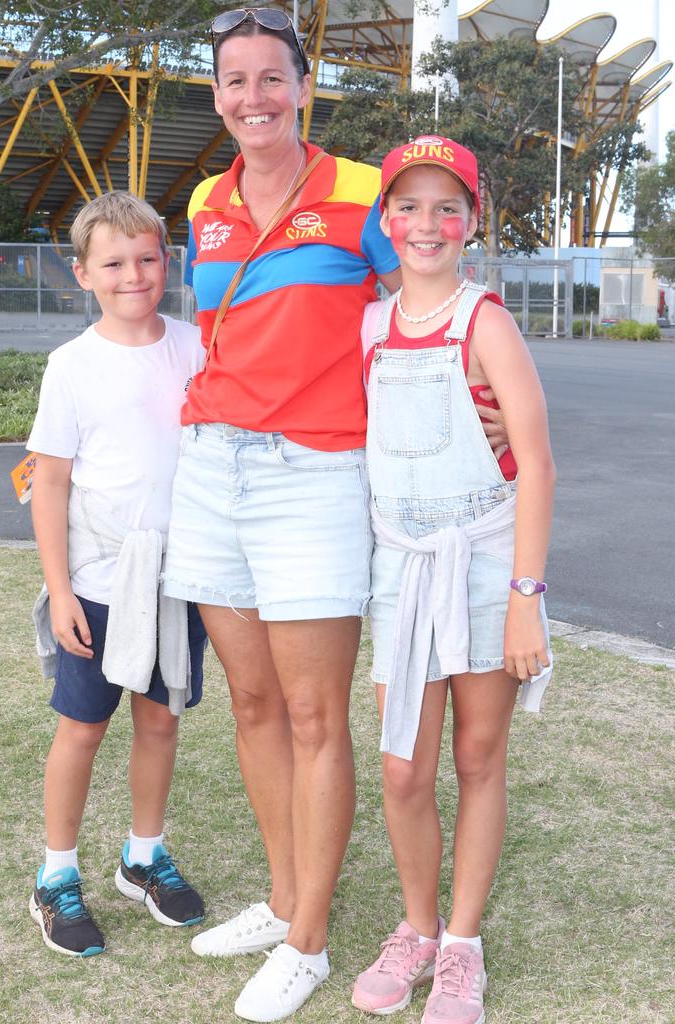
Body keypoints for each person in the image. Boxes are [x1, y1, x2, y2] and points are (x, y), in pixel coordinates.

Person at [163, 11, 507, 1021]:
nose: (254, 98)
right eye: (235, 81)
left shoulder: (359, 192)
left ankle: (309, 941)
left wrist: (485, 385)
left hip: (312, 471)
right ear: (217, 94)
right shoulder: (204, 200)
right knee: (254, 703)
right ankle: (281, 899)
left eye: (274, 79)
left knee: (315, 715)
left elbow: (427, 292)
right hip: (209, 463)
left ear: (304, 88)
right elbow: (221, 329)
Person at [351, 137, 555, 1023]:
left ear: (471, 223)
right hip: (403, 570)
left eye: (446, 208)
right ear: (385, 219)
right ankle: (417, 928)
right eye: (408, 206)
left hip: (479, 567)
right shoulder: (368, 322)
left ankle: (462, 946)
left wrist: (524, 601)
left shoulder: (488, 322)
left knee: (477, 756)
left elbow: (537, 464)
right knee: (403, 770)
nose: (425, 224)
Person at [27, 191, 207, 958]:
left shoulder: (197, 346)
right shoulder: (71, 366)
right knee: (83, 727)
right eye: (113, 263)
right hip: (99, 582)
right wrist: (62, 591)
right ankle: (55, 876)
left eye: (147, 258)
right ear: (82, 274)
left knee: (160, 720)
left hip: (178, 576)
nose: (133, 275)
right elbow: (53, 484)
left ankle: (142, 857)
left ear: (167, 261)